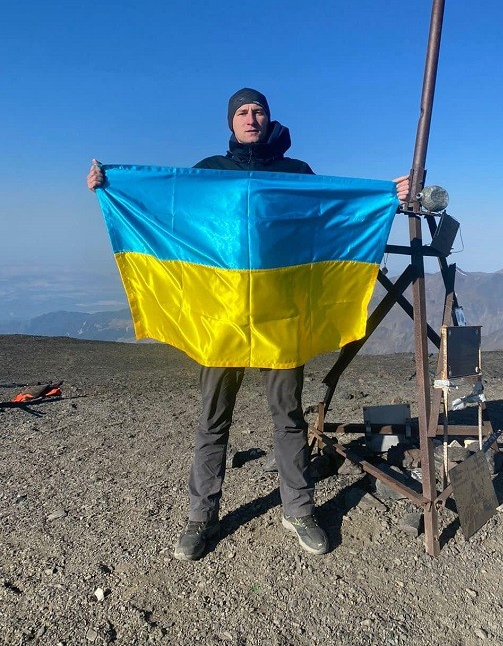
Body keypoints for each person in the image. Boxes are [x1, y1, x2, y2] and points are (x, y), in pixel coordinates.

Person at [87, 88, 410, 561]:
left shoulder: (296, 175)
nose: (251, 118)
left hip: (280, 322)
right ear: (230, 121)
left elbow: (334, 217)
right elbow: (170, 212)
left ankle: (298, 510)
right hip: (221, 321)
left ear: (269, 118)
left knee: (289, 419)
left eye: (258, 111)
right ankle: (202, 518)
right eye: (242, 111)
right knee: (213, 420)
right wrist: (109, 185)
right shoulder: (208, 173)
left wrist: (386, 198)